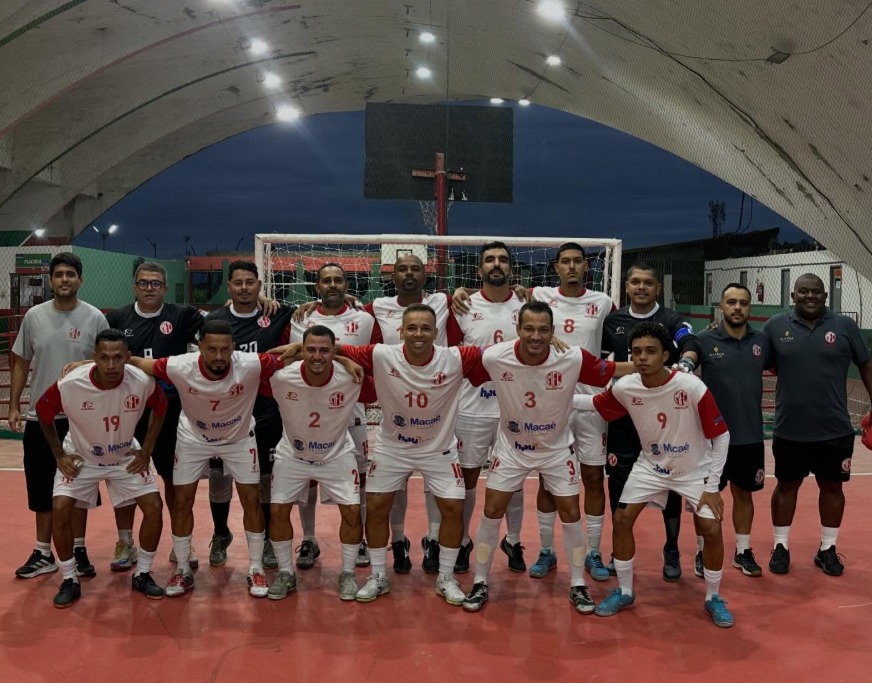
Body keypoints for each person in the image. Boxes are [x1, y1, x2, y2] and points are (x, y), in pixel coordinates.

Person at [461, 301, 633, 614]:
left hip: (555, 450)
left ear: (553, 331)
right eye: (529, 328)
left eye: (543, 329)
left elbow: (610, 370)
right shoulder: (494, 356)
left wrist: (653, 367)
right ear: (518, 329)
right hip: (512, 449)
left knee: (570, 510)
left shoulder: (572, 357)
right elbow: (451, 363)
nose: (536, 335)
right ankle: (480, 581)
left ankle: (578, 584)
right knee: (492, 510)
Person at [578, 322, 733, 628]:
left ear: (665, 355)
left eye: (650, 351)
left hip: (694, 470)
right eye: (636, 352)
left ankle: (713, 597)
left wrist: (713, 486)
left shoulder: (691, 386)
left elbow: (722, 436)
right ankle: (624, 591)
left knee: (711, 529)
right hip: (651, 467)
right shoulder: (625, 387)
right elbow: (593, 405)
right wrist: (551, 398)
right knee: (622, 520)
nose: (642, 357)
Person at [334, 303, 485, 604]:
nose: (418, 333)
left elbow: (505, 353)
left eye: (425, 328)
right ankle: (379, 575)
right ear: (402, 331)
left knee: (454, 509)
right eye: (412, 328)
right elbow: (326, 347)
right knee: (376, 507)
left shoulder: (455, 357)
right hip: (393, 448)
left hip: (438, 448)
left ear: (436, 332)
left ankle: (446, 577)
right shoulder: (381, 354)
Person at [128, 319, 281, 598]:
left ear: (233, 348)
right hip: (193, 440)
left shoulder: (250, 363)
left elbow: (295, 354)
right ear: (200, 348)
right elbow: (139, 363)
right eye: (211, 349)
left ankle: (256, 567)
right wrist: (83, 365)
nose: (219, 356)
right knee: (182, 500)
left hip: (238, 439)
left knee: (251, 500)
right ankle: (183, 569)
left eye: (225, 350)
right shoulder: (180, 365)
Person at [37, 329, 168, 607]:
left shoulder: (142, 381)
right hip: (81, 457)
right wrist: (59, 455)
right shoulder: (70, 384)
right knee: (60, 508)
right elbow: (43, 412)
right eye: (105, 357)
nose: (111, 365)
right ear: (94, 357)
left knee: (155, 508)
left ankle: (143, 573)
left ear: (128, 358)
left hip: (123, 457)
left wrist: (146, 450)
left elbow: (161, 406)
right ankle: (70, 578)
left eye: (118, 357)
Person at [762, 273, 872, 577]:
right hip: (789, 427)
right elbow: (759, 360)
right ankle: (780, 546)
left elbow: (865, 363)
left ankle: (827, 549)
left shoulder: (845, 326)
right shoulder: (775, 326)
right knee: (786, 485)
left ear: (826, 296)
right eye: (803, 292)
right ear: (793, 296)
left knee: (833, 486)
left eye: (816, 292)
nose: (810, 297)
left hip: (834, 428)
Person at [10, 252, 109, 580]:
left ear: (80, 280)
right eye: (58, 274)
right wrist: (13, 405)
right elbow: (22, 362)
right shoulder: (34, 317)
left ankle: (78, 549)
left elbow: (107, 363)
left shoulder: (95, 318)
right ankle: (42, 553)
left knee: (79, 489)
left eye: (70, 274)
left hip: (81, 419)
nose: (64, 279)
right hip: (42, 419)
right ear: (51, 280)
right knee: (41, 489)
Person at [601, 262, 701, 580]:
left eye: (647, 282)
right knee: (617, 483)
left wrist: (685, 362)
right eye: (635, 282)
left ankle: (671, 548)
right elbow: (605, 363)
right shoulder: (613, 321)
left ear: (658, 288)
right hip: (624, 418)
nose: (641, 287)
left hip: (664, 421)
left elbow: (690, 342)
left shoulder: (671, 320)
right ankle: (619, 551)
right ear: (626, 287)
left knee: (668, 481)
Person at [105, 261, 205, 572]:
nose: (150, 288)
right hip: (127, 411)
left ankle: (180, 545)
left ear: (164, 287)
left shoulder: (183, 315)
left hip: (171, 410)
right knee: (124, 478)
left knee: (175, 480)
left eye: (156, 283)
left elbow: (218, 326)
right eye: (144, 283)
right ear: (134, 286)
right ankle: (125, 541)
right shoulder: (117, 318)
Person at [265, 325, 376, 600]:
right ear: (301, 351)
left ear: (334, 351)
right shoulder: (281, 377)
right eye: (310, 350)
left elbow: (377, 388)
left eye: (325, 350)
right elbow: (255, 366)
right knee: (278, 512)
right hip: (293, 454)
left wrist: (345, 359)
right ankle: (285, 573)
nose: (317, 356)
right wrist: (286, 353)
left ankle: (348, 573)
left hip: (336, 455)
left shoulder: (351, 378)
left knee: (351, 513)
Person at [528, 242, 616, 581]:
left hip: (592, 404)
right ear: (556, 267)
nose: (572, 267)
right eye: (565, 261)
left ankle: (593, 552)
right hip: (552, 403)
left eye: (578, 261)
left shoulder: (603, 302)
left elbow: (618, 337)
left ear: (586, 267)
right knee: (549, 480)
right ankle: (547, 550)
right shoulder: (539, 295)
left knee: (594, 478)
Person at [205, 261, 296, 571]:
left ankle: (270, 538)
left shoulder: (277, 313)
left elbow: (312, 309)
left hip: (266, 411)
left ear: (259, 285)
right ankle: (220, 534)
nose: (244, 287)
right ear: (229, 287)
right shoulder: (214, 320)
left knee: (266, 478)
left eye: (250, 282)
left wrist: (349, 299)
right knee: (219, 478)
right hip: (225, 413)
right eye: (238, 283)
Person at [288, 263, 377, 570]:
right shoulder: (301, 318)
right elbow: (296, 355)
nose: (333, 285)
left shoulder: (364, 318)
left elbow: (374, 355)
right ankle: (310, 539)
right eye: (326, 280)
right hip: (311, 410)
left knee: (359, 479)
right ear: (317, 287)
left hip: (351, 412)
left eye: (338, 280)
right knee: (308, 477)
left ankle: (360, 538)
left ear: (347, 285)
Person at [451, 242, 527, 574]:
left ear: (512, 268)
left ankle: (512, 539)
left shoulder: (528, 303)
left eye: (503, 260)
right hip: (471, 408)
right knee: (466, 477)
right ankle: (464, 541)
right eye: (489, 260)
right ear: (479, 269)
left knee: (516, 478)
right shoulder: (461, 306)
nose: (497, 264)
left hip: (515, 409)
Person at [696, 283, 771, 578]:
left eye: (743, 302)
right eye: (731, 302)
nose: (737, 307)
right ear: (721, 306)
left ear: (750, 307)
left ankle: (742, 551)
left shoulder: (763, 341)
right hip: (710, 438)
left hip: (749, 435)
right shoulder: (704, 340)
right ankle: (703, 552)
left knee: (745, 495)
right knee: (704, 496)